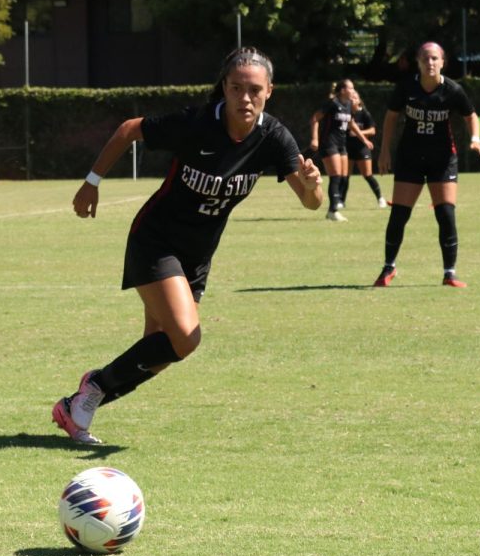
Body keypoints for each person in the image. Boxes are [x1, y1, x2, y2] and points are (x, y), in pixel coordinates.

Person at [51, 47, 323, 445]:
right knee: (186, 337)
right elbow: (130, 129)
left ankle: (79, 406)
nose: (244, 98)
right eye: (236, 88)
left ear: (269, 92)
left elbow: (310, 202)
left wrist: (315, 185)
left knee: (159, 351)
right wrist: (92, 182)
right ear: (224, 88)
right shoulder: (196, 123)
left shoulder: (274, 137)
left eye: (254, 90)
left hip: (196, 256)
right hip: (155, 240)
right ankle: (92, 388)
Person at [373, 42, 480, 288]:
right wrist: (384, 152)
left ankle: (450, 273)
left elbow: (471, 116)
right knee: (399, 215)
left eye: (435, 58)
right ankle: (388, 268)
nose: (430, 62)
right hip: (410, 158)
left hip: (443, 160)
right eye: (425, 58)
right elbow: (391, 117)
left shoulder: (453, 90)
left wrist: (476, 140)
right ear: (418, 62)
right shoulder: (406, 87)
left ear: (443, 62)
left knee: (446, 213)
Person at [308, 79, 371, 221]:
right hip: (329, 143)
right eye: (351, 88)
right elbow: (315, 118)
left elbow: (351, 123)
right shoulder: (332, 103)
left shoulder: (348, 104)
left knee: (343, 177)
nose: (353, 91)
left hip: (342, 144)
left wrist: (364, 139)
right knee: (335, 176)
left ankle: (334, 207)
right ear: (342, 90)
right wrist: (314, 138)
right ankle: (333, 210)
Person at [348, 89, 387, 207]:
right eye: (350, 97)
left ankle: (380, 198)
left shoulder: (364, 113)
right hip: (347, 147)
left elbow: (373, 130)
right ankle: (340, 201)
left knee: (367, 174)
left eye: (354, 97)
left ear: (359, 100)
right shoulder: (346, 113)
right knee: (344, 176)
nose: (352, 99)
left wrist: (359, 133)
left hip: (362, 148)